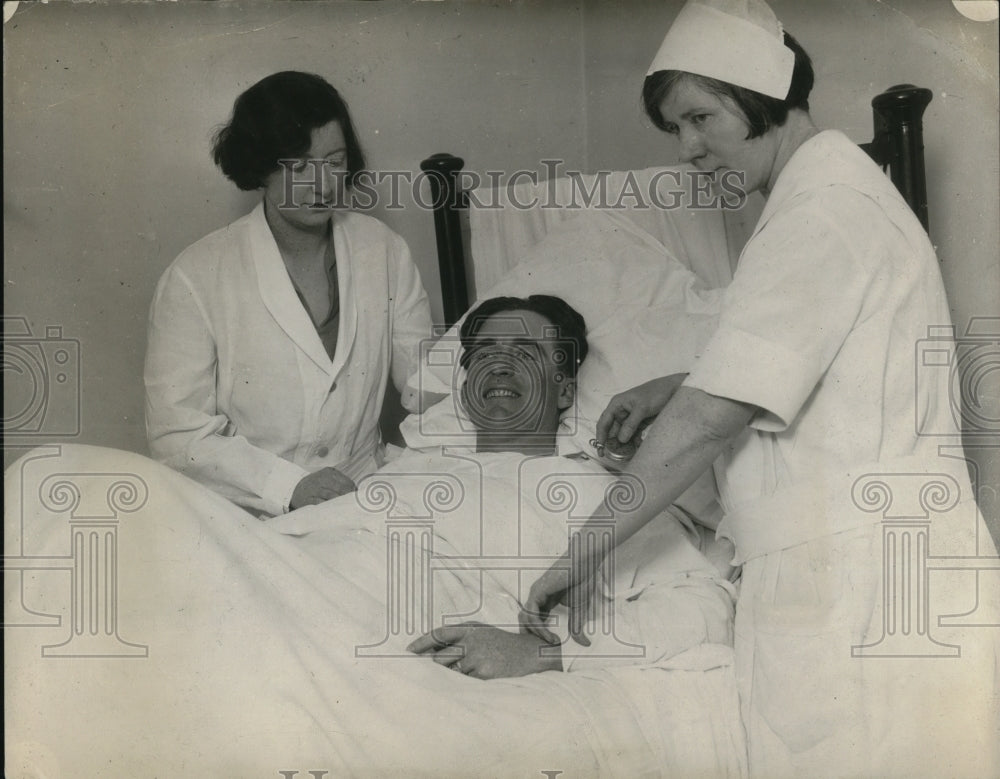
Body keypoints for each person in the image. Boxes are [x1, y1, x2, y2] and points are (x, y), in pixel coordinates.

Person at [519, 1, 1000, 776]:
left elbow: (709, 422)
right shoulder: (824, 196)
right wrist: (681, 378)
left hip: (857, 580)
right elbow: (817, 358)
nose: (688, 149)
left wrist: (578, 555)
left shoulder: (823, 210)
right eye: (676, 128)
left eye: (701, 117)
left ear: (764, 94)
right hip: (856, 569)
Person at [144, 71, 437, 517]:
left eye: (335, 161)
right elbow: (177, 437)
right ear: (261, 166)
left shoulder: (384, 250)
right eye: (299, 166)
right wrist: (288, 486)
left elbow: (426, 384)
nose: (323, 185)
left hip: (364, 501)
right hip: (248, 515)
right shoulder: (195, 276)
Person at [395, 295, 735, 679]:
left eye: (525, 354)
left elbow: (705, 608)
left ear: (566, 393)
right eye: (486, 354)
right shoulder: (401, 472)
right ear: (465, 390)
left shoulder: (600, 497)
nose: (501, 366)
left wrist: (541, 653)